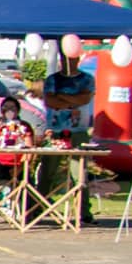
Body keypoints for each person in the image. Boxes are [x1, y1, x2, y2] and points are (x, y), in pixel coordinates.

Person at [41, 49, 97, 224]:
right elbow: (50, 101)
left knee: (79, 174)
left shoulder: (87, 79)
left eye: (71, 59)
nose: (67, 63)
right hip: (55, 130)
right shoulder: (52, 79)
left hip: (78, 131)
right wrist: (72, 99)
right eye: (64, 59)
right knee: (47, 172)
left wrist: (62, 98)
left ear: (78, 59)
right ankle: (36, 208)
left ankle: (83, 211)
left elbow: (84, 99)